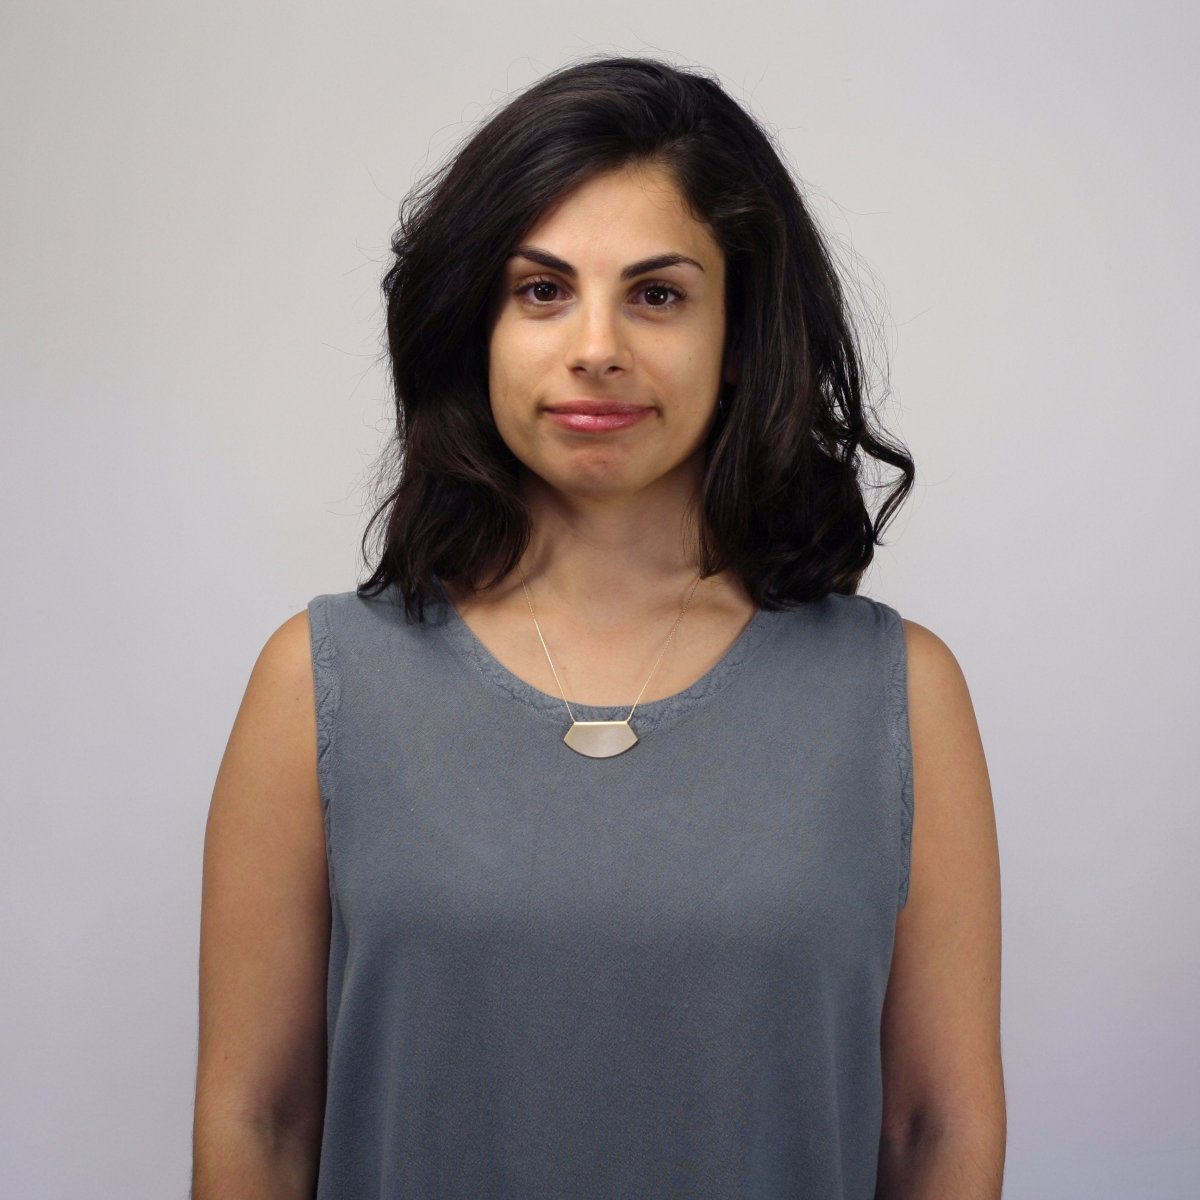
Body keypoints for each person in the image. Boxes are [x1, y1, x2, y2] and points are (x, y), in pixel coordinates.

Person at [192, 56, 1004, 1200]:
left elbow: (938, 1131)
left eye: (658, 294)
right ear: (475, 322)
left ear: (742, 331)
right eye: (542, 290)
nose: (596, 347)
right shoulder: (318, 683)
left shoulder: (899, 695)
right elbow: (257, 1121)